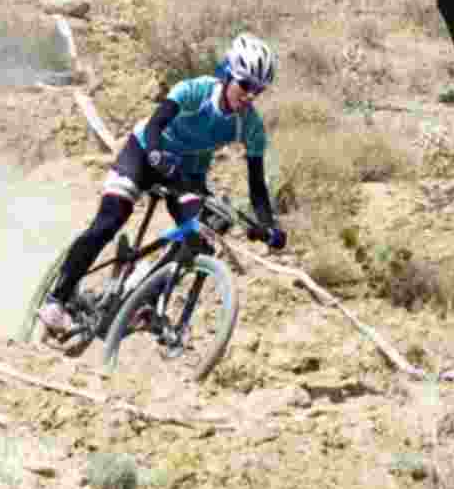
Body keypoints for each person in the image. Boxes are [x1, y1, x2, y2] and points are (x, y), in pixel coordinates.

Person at [39, 33, 286, 338]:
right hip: (144, 153)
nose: (250, 95)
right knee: (110, 220)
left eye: (258, 90)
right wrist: (156, 154)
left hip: (185, 175)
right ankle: (57, 300)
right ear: (227, 73)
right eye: (245, 84)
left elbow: (257, 185)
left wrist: (268, 225)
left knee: (200, 236)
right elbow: (156, 124)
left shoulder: (250, 125)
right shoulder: (195, 90)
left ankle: (141, 298)